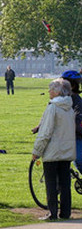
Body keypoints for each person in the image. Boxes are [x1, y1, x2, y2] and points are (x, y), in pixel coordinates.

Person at [32, 78, 76, 220]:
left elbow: (45, 133)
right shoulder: (69, 108)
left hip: (52, 151)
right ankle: (65, 212)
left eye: (51, 89)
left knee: (51, 183)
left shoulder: (53, 108)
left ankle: (52, 213)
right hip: (66, 151)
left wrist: (36, 151)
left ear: (57, 92)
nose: (49, 91)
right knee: (65, 184)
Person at [61, 70, 82, 174]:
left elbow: (79, 119)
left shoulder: (77, 100)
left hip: (76, 136)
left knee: (78, 159)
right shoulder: (60, 99)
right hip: (63, 135)